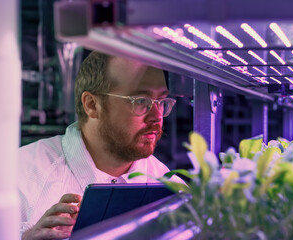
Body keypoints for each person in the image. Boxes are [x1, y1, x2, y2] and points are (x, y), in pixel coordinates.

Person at [18, 51, 179, 240]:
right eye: (141, 101)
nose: (157, 116)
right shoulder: (19, 174)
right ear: (92, 105)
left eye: (161, 102)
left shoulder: (169, 187)